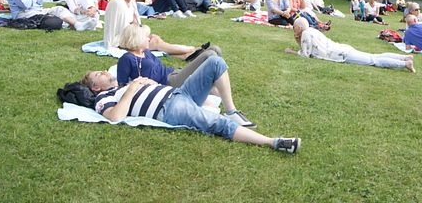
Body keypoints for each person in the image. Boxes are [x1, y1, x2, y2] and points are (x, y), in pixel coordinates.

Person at [82, 56, 300, 154]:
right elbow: (115, 117)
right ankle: (274, 142)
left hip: (179, 93)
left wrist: (145, 83)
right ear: (95, 88)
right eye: (97, 75)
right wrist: (132, 89)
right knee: (217, 123)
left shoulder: (124, 85)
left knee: (214, 62)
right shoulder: (103, 99)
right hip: (169, 109)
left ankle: (232, 110)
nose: (103, 72)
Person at [103, 0, 194, 57]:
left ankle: (187, 54)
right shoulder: (116, 3)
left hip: (133, 34)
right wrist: (110, 45)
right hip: (122, 40)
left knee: (155, 38)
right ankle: (192, 50)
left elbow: (137, 23)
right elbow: (111, 28)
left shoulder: (132, 1)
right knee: (156, 42)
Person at [286, 17, 415, 72]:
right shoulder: (311, 30)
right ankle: (403, 58)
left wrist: (291, 52)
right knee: (374, 56)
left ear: (299, 27)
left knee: (373, 60)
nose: (294, 29)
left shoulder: (305, 34)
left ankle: (404, 63)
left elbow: (305, 54)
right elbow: (307, 49)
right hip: (343, 49)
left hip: (342, 55)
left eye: (295, 27)